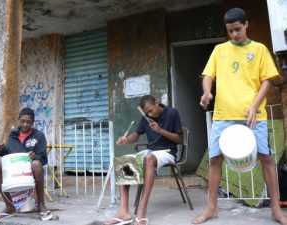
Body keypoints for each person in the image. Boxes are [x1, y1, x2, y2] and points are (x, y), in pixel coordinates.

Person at [192, 8, 287, 225]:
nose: (234, 34)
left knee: (266, 159)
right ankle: (211, 209)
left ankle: (275, 210)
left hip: (253, 114)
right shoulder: (219, 50)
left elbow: (267, 80)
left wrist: (254, 105)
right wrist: (207, 92)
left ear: (246, 24)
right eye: (230, 31)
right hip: (223, 115)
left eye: (237, 29)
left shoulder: (259, 49)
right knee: (215, 160)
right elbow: (208, 75)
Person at [104, 95, 183, 225]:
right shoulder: (146, 118)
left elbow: (180, 140)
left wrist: (160, 130)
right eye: (147, 113)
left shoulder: (172, 113)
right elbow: (135, 136)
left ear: (157, 103)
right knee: (124, 161)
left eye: (151, 111)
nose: (150, 115)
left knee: (149, 158)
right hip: (151, 151)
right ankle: (124, 211)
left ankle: (142, 209)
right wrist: (126, 139)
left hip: (168, 152)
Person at [0, 107, 53, 223]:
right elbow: (7, 155)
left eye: (29, 122)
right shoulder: (12, 135)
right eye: (22, 121)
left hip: (30, 172)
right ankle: (9, 206)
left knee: (36, 164)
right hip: (14, 172)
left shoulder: (38, 135)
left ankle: (41, 205)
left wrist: (34, 156)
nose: (25, 124)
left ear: (33, 122)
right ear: (18, 120)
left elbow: (43, 159)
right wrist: (0, 150)